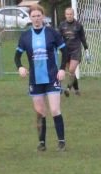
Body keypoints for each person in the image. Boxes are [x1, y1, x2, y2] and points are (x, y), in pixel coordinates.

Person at [15, 4, 68, 152]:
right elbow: (17, 57)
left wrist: (62, 69)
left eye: (39, 16)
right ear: (30, 18)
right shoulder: (25, 36)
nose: (36, 19)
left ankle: (61, 142)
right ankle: (42, 143)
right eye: (34, 16)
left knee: (55, 109)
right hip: (35, 79)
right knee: (40, 112)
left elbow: (65, 51)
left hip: (52, 77)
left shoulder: (52, 33)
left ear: (43, 16)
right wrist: (20, 67)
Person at [58, 7, 89, 97]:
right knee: (71, 72)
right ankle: (77, 90)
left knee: (71, 69)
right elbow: (58, 38)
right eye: (67, 14)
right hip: (65, 51)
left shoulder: (78, 25)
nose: (69, 16)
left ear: (73, 14)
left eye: (71, 14)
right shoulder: (62, 25)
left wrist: (86, 50)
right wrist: (56, 48)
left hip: (76, 50)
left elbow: (83, 38)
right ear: (65, 15)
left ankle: (68, 89)